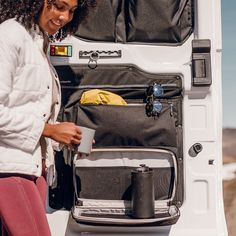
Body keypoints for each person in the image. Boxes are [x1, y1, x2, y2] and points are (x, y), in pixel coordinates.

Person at [0, 0, 96, 235]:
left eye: (72, 11)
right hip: (9, 166)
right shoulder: (10, 35)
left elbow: (29, 108)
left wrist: (65, 137)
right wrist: (50, 130)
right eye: (58, 6)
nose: (64, 17)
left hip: (33, 166)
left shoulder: (38, 41)